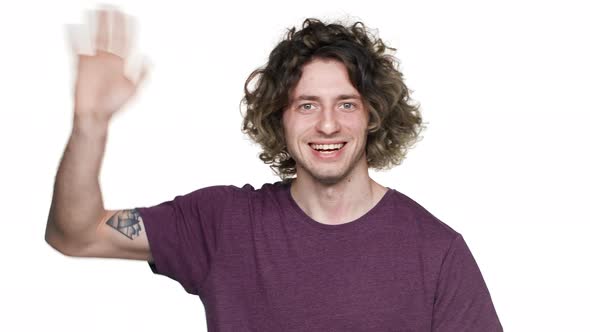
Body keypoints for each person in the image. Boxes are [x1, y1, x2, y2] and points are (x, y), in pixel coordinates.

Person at [46, 7, 503, 331]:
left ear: (373, 115)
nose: (327, 123)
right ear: (278, 119)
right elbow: (76, 233)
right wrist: (90, 125)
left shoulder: (436, 252)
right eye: (307, 105)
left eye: (346, 103)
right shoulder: (222, 223)